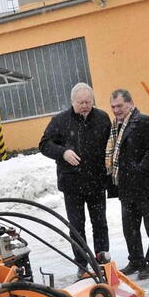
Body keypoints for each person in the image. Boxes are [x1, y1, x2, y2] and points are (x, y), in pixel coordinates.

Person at [39, 82, 111, 277]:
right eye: (80, 102)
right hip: (72, 183)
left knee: (100, 222)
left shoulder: (102, 119)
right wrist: (63, 153)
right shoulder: (60, 120)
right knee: (76, 225)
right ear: (72, 102)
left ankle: (102, 258)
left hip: (96, 181)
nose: (85, 105)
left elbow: (109, 147)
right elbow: (44, 144)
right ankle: (82, 263)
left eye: (88, 101)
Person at [106, 89, 149, 280]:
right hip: (125, 187)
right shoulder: (116, 126)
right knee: (129, 228)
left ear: (130, 104)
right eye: (113, 106)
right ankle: (136, 260)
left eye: (120, 106)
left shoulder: (145, 122)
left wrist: (140, 169)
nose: (116, 110)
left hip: (145, 186)